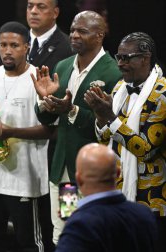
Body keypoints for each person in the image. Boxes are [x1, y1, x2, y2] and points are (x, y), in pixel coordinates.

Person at [32, 10, 122, 244]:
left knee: (94, 235)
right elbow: (47, 119)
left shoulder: (113, 72)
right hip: (65, 172)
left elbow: (109, 127)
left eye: (82, 31)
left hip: (95, 173)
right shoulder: (62, 67)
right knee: (65, 232)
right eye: (72, 30)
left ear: (100, 35)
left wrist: (70, 110)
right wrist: (45, 102)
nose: (74, 35)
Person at [84, 32, 166, 252]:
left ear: (146, 57)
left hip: (153, 199)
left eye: (127, 58)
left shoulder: (163, 95)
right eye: (118, 57)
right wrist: (101, 116)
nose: (120, 64)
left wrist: (110, 117)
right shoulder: (120, 87)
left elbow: (146, 150)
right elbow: (104, 139)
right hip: (120, 194)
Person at [0, 21, 55, 252]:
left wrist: (8, 131)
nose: (7, 50)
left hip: (26, 180)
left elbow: (51, 130)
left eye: (14, 45)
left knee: (31, 244)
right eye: (3, 44)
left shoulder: (39, 79)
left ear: (27, 47)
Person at [26, 1, 74, 250]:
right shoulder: (17, 42)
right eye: (30, 5)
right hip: (29, 154)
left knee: (68, 222)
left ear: (55, 13)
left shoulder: (68, 51)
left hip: (64, 154)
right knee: (50, 224)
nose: (33, 11)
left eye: (41, 6)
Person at [56, 143, 157, 252]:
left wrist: (71, 224)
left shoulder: (79, 225)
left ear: (79, 179)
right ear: (118, 173)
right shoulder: (144, 214)